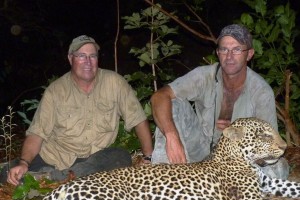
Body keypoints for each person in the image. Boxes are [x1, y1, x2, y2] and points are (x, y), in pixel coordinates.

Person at [7, 35, 153, 186]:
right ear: (71, 59)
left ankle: (59, 178)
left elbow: (138, 119)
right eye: (81, 56)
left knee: (120, 157)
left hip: (94, 159)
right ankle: (57, 177)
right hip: (55, 157)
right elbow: (37, 133)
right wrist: (24, 162)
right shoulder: (55, 91)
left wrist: (148, 157)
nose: (88, 62)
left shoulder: (115, 82)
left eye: (92, 56)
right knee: (10, 174)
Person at [150, 24, 289, 179]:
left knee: (279, 167)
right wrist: (171, 136)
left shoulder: (262, 91)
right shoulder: (204, 76)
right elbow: (159, 97)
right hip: (200, 150)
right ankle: (164, 179)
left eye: (236, 49)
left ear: (249, 54)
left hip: (238, 160)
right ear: (217, 52)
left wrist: (238, 137)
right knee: (173, 105)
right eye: (224, 49)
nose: (229, 56)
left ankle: (220, 189)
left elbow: (269, 145)